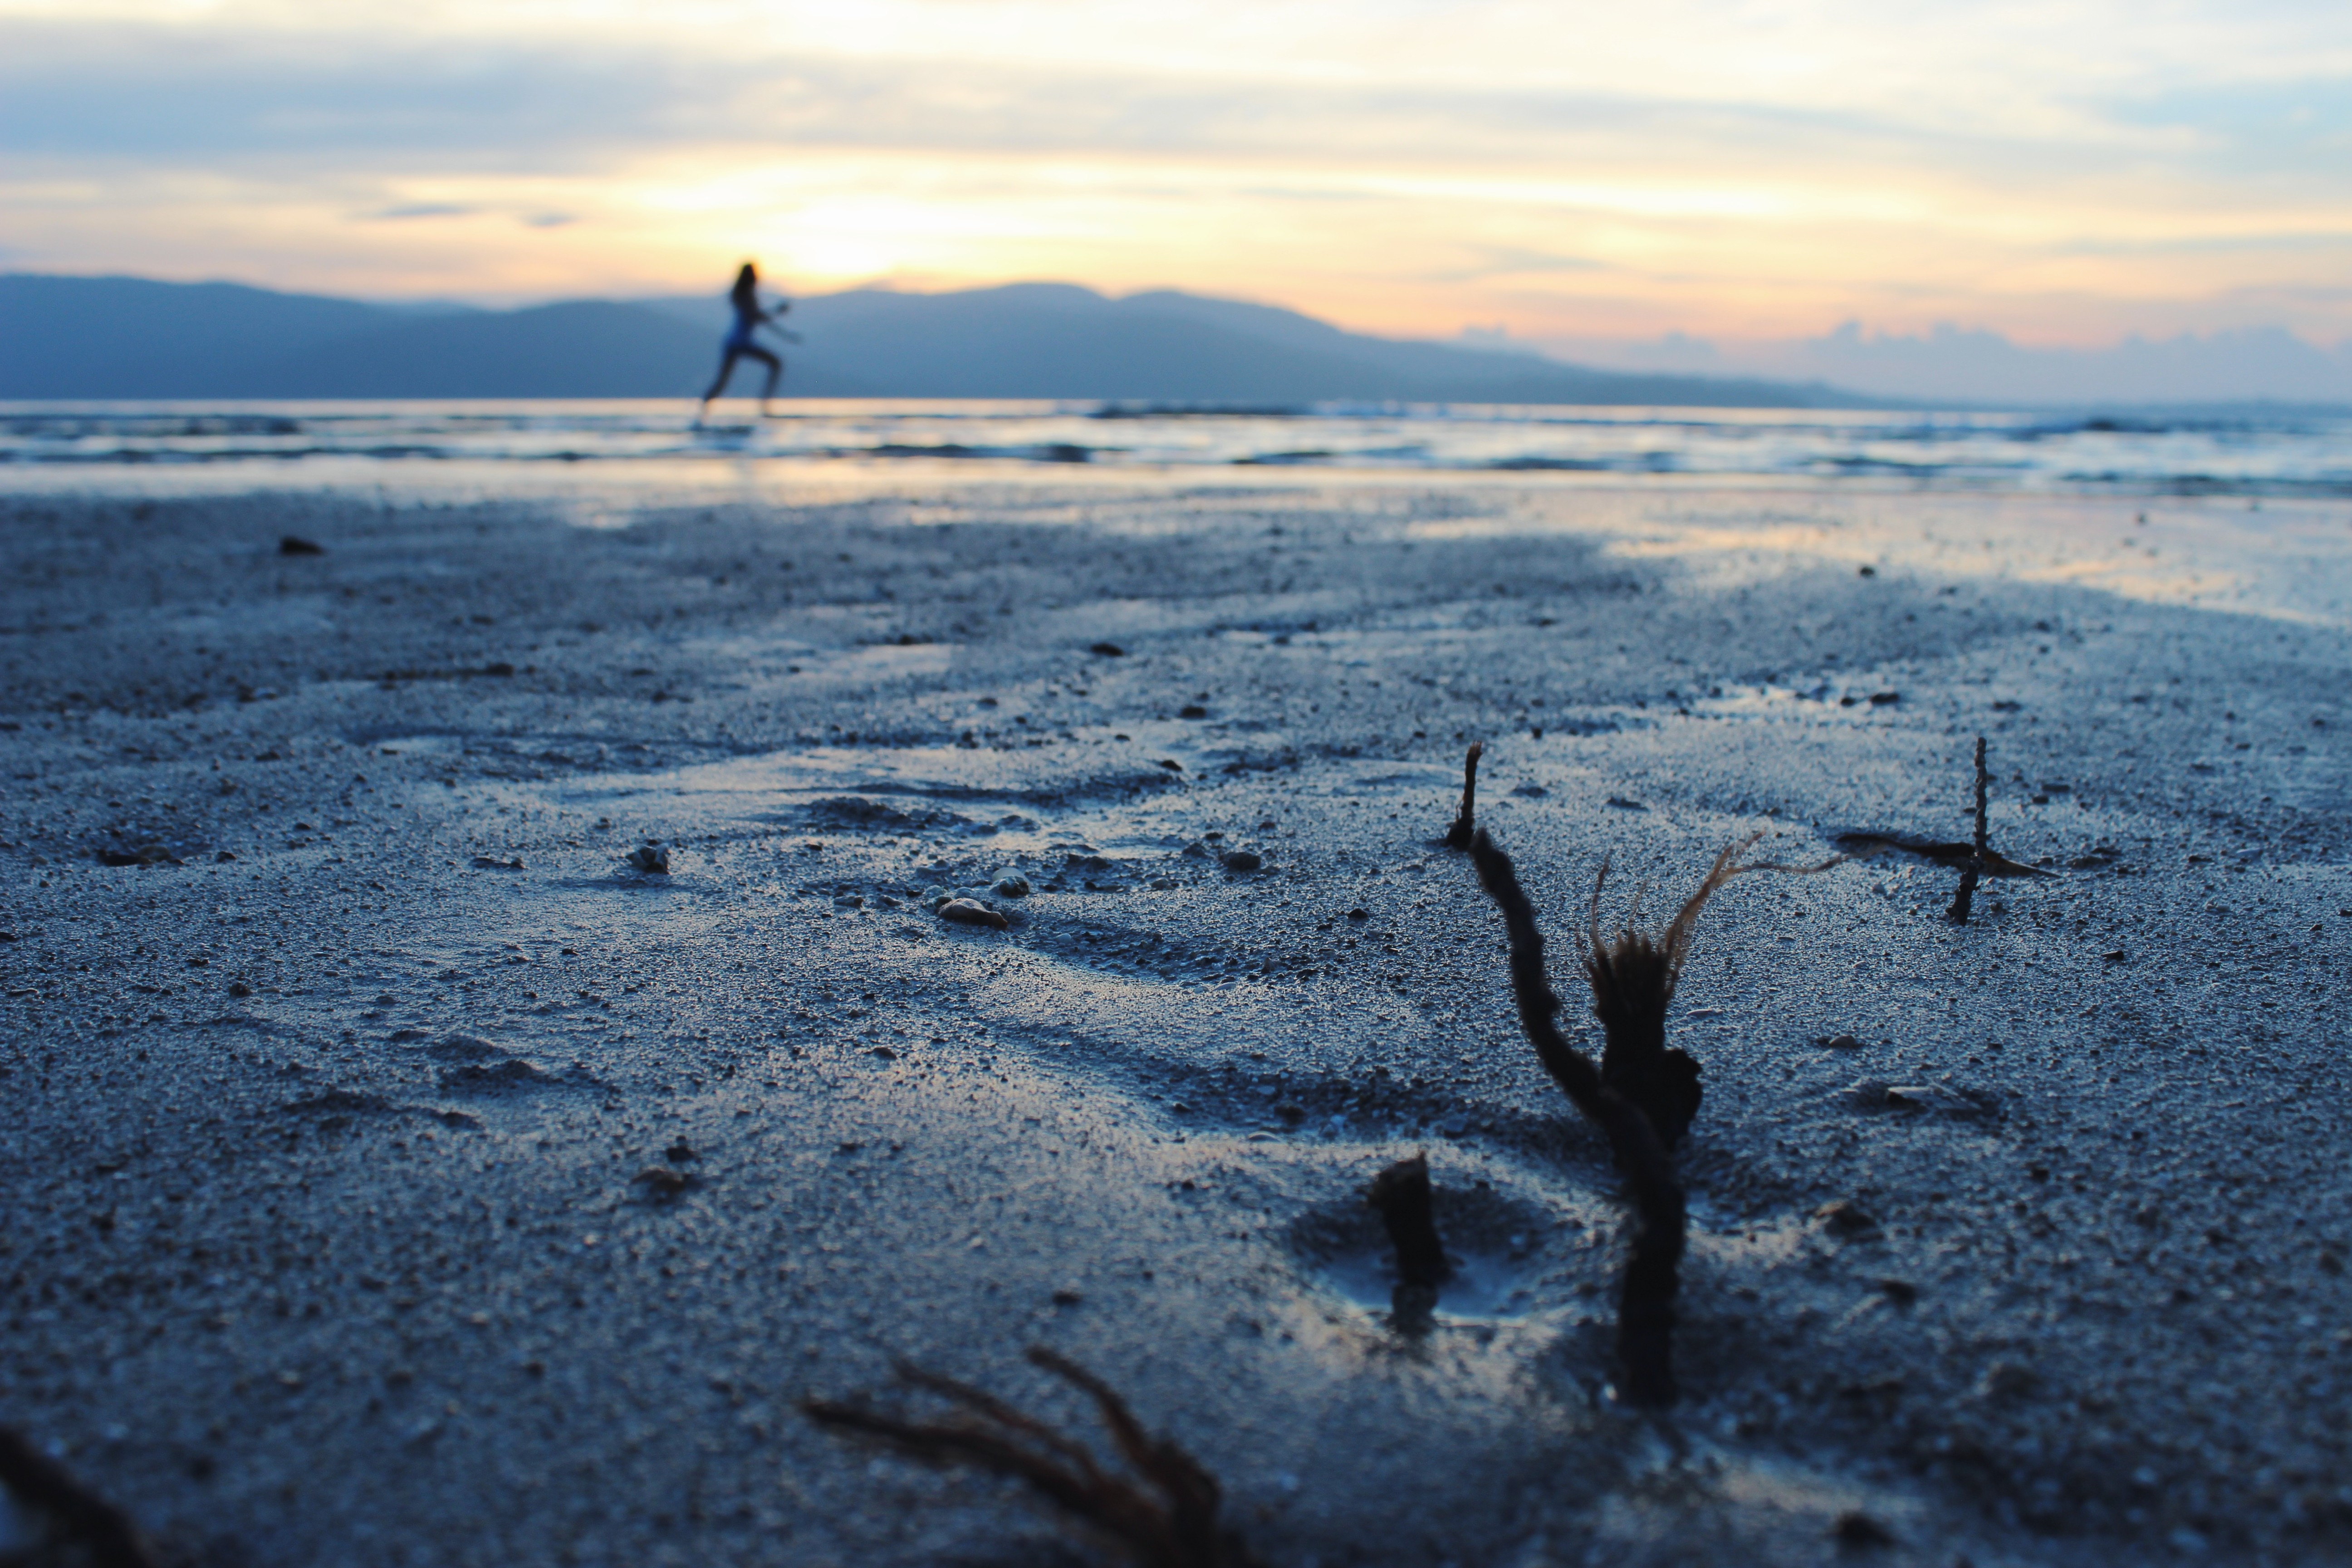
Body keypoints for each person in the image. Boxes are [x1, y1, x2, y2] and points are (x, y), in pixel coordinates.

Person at [696, 262, 798, 420]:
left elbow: (759, 319)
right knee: (775, 363)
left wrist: (787, 335)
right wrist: (778, 312)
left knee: (723, 381)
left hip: (732, 342)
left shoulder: (742, 295)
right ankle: (765, 405)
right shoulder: (746, 296)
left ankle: (703, 408)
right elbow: (757, 317)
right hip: (741, 342)